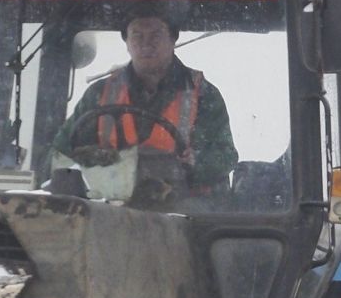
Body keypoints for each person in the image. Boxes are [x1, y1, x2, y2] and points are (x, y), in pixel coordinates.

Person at [58, 13, 237, 203]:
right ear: (126, 42)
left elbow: (225, 156)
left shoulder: (202, 94)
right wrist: (88, 157)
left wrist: (195, 162)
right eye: (137, 36)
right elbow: (59, 154)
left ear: (173, 39)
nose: (146, 44)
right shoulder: (99, 94)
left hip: (182, 214)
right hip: (108, 212)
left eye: (156, 35)